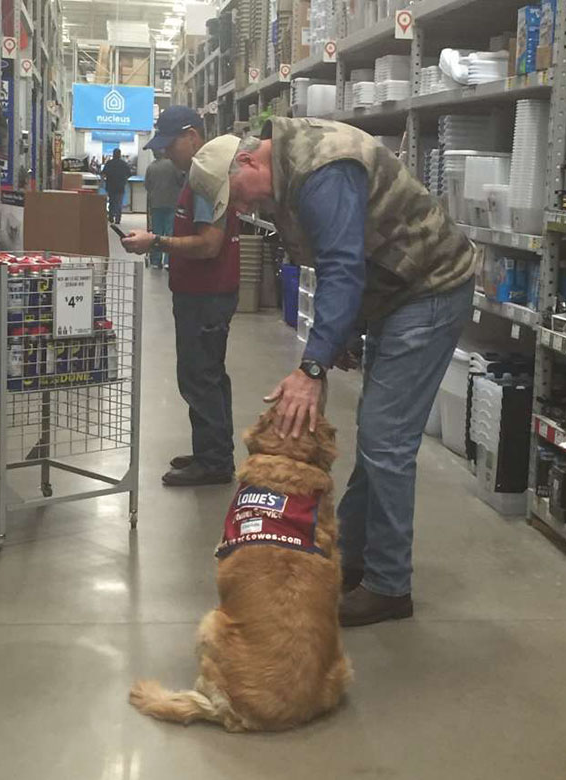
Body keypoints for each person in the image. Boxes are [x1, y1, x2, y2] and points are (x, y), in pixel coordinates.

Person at [188, 118, 475, 627]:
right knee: (377, 434)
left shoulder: (320, 169)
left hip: (429, 287)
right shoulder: (286, 180)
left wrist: (313, 365)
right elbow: (346, 259)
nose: (240, 210)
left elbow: (344, 265)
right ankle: (352, 559)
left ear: (250, 162)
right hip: (395, 293)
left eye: (236, 196)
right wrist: (341, 333)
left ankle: (389, 586)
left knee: (387, 439)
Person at [121, 106, 240, 487]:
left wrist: (155, 241)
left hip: (206, 295)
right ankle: (212, 449)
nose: (166, 152)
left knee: (199, 376)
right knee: (208, 374)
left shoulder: (205, 177)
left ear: (192, 135)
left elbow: (208, 245)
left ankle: (215, 462)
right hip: (201, 293)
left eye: (171, 144)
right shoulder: (194, 173)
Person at [144, 150, 186, 269]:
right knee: (170, 232)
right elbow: (181, 181)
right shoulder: (174, 165)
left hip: (156, 204)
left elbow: (147, 185)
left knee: (157, 232)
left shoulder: (151, 167)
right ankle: (168, 260)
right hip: (172, 203)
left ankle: (155, 261)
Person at [102, 148, 131, 224]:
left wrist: (103, 182)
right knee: (119, 203)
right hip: (120, 186)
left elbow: (103, 174)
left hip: (110, 186)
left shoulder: (109, 163)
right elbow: (129, 174)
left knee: (111, 202)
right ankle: (118, 219)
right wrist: (124, 180)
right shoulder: (123, 164)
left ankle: (111, 217)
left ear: (113, 154)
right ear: (120, 154)